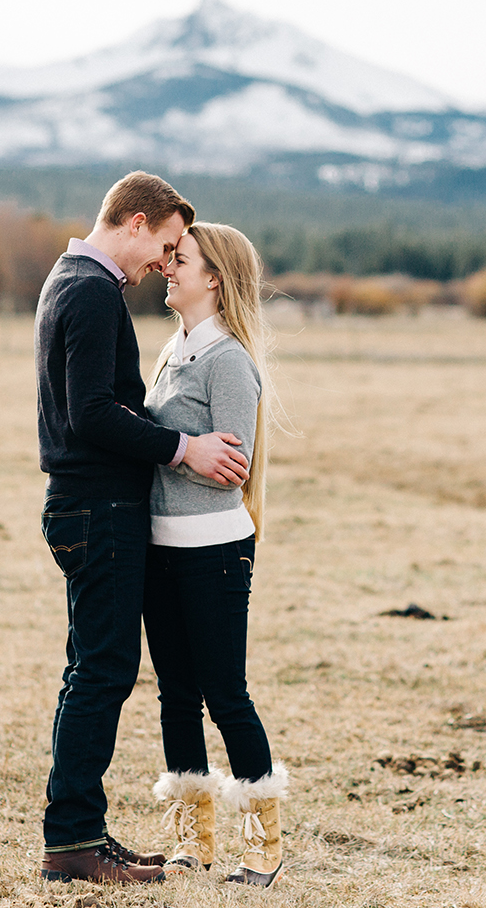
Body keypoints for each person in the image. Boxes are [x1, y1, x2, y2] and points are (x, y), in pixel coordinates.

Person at [34, 173, 250, 885]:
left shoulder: (69, 280)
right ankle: (73, 843)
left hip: (84, 507)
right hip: (100, 509)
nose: (163, 261)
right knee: (101, 673)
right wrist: (185, 448)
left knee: (89, 671)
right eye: (162, 244)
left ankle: (82, 833)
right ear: (133, 222)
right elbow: (93, 412)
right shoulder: (93, 293)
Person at [143, 222, 288, 888]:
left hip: (213, 555)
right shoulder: (173, 351)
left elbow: (232, 467)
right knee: (176, 696)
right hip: (160, 552)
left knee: (225, 696)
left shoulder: (229, 360)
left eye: (181, 260)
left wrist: (165, 449)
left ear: (214, 280)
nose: (167, 267)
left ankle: (262, 842)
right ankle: (192, 839)